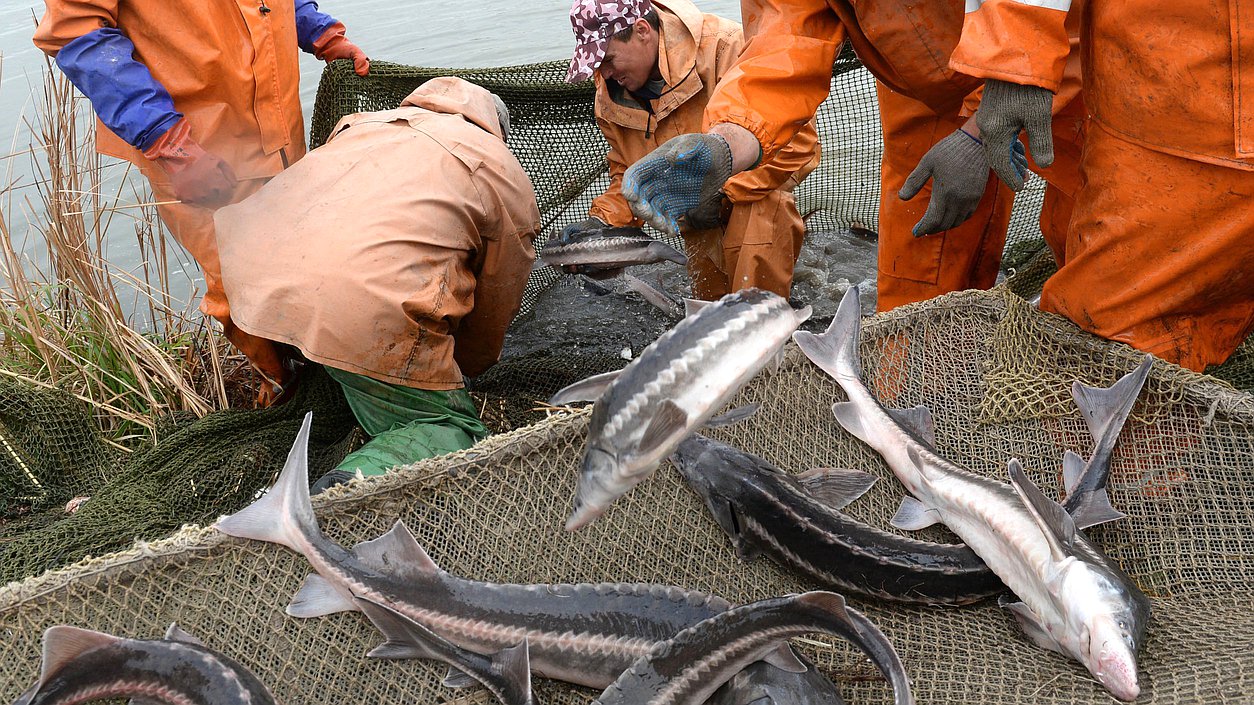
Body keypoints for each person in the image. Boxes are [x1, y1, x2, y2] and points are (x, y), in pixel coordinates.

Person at [613, 0, 1085, 313]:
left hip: (1074, 52)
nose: (606, 73)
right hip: (919, 81)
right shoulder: (611, 96)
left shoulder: (719, 45)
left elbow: (802, 150)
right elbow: (787, 43)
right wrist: (725, 144)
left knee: (1099, 268)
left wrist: (988, 118)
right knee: (911, 300)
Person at [33, 0, 371, 404]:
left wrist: (318, 31)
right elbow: (76, 30)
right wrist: (169, 143)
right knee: (241, 291)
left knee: (305, 268)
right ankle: (285, 392)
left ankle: (330, 378)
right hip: (200, 152)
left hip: (280, 133)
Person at [213, 77, 539, 492]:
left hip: (247, 277)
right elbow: (497, 300)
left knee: (333, 317)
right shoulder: (497, 165)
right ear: (495, 129)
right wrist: (460, 371)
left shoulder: (360, 124)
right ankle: (338, 496)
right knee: (448, 429)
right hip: (352, 302)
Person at [947, 0, 1254, 371]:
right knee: (1100, 328)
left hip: (1176, 123)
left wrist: (1012, 72)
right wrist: (1008, 79)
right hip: (1160, 108)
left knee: (1099, 352)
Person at [564, 0, 821, 300]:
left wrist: (720, 192)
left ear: (642, 30)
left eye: (607, 59)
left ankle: (766, 311)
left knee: (752, 295)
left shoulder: (726, 47)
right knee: (709, 310)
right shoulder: (609, 100)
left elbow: (798, 143)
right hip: (696, 221)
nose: (604, 73)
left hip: (755, 199)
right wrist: (600, 225)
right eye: (596, 65)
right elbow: (628, 174)